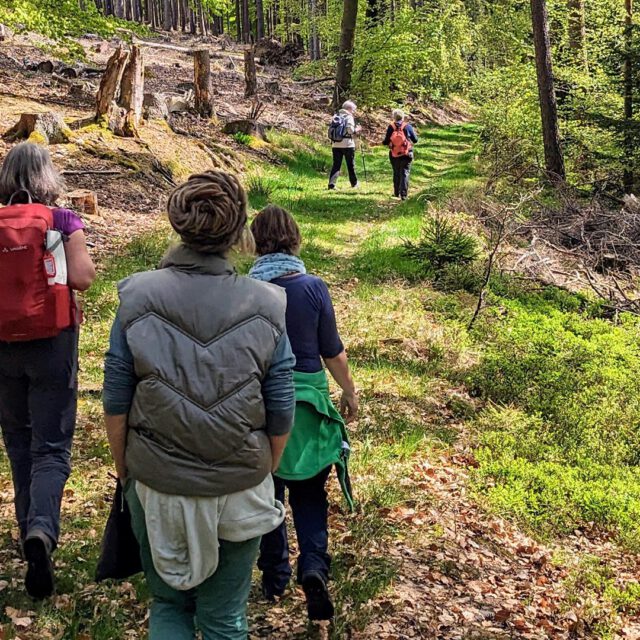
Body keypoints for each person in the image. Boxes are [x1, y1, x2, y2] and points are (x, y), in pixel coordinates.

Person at [103, 171, 296, 640]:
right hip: (241, 482)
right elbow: (281, 402)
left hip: (157, 480)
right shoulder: (269, 302)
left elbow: (116, 395)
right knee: (224, 617)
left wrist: (126, 468)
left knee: (168, 604)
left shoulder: (137, 295)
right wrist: (263, 467)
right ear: (239, 232)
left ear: (179, 224)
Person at [249, 205, 358, 622]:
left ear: (255, 244)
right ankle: (313, 566)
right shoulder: (313, 288)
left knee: (267, 492)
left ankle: (274, 575)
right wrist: (349, 393)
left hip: (260, 406)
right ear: (295, 240)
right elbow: (331, 350)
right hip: (308, 404)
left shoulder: (246, 290)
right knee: (311, 493)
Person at [0, 142, 96, 599]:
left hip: (1, 345)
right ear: (47, 177)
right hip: (52, 343)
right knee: (51, 445)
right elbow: (81, 277)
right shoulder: (60, 220)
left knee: (18, 440)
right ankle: (41, 529)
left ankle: (26, 534)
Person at [382, 109, 419, 200]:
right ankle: (404, 195)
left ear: (393, 117)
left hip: (394, 153)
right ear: (403, 117)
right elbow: (415, 140)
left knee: (396, 172)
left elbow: (386, 141)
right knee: (405, 172)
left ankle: (396, 192)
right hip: (407, 153)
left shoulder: (391, 127)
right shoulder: (408, 126)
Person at [328, 100, 361, 190]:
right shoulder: (349, 117)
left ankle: (331, 184)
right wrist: (357, 130)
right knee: (350, 165)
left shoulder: (336, 116)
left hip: (335, 144)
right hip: (348, 144)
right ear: (349, 109)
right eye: (353, 110)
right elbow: (350, 130)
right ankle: (354, 184)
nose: (354, 111)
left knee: (336, 165)